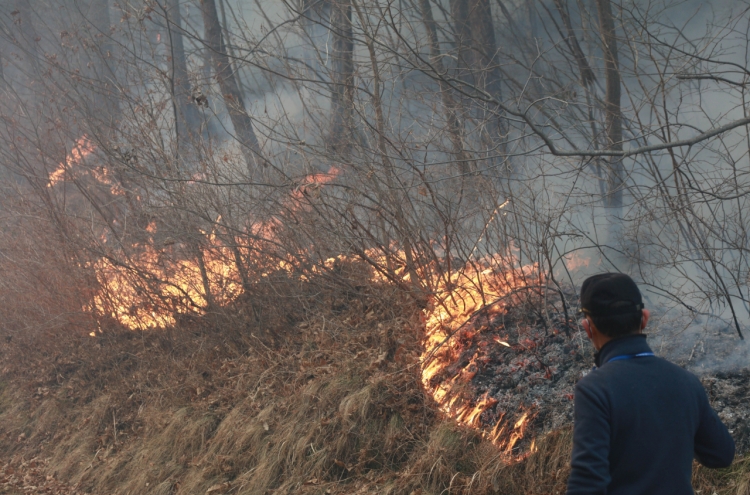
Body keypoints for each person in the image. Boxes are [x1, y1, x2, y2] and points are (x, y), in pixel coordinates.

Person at [567, 273, 735, 495]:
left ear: (588, 328)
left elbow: (586, 485)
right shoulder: (686, 381)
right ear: (644, 319)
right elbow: (721, 454)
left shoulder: (595, 390)